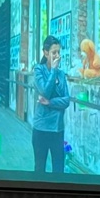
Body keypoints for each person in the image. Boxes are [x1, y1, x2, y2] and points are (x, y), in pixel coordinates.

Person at [33, 35, 70, 173]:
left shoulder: (62, 74)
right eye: (54, 52)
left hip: (57, 129)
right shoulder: (38, 70)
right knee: (40, 169)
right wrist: (53, 70)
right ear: (45, 53)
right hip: (41, 128)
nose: (57, 56)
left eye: (59, 52)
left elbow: (66, 100)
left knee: (58, 169)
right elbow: (45, 92)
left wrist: (49, 102)